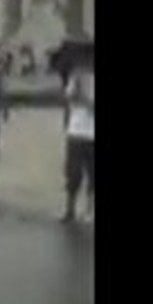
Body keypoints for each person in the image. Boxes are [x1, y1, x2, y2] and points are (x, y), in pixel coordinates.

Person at [62, 60, 95, 223]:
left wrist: (86, 100)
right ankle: (70, 210)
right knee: (72, 173)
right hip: (76, 132)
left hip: (92, 134)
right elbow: (68, 98)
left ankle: (89, 210)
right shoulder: (76, 78)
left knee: (93, 174)